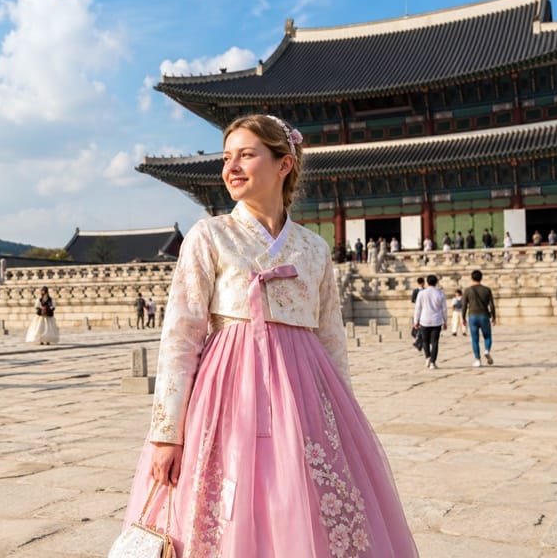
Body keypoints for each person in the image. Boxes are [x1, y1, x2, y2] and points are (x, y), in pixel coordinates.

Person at [121, 114, 417, 556]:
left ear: (284, 164)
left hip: (304, 396)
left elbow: (331, 340)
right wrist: (167, 433)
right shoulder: (210, 236)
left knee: (302, 504)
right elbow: (181, 335)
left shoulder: (314, 248)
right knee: (226, 506)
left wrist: (343, 422)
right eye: (226, 157)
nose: (231, 167)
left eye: (246, 155)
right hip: (226, 394)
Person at [461, 269, 496, 367]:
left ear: (471, 278)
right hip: (484, 316)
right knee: (487, 337)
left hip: (472, 316)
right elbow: (491, 305)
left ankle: (477, 360)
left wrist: (463, 317)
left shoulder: (467, 290)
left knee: (475, 339)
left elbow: (464, 305)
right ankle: (487, 350)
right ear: (481, 278)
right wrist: (494, 317)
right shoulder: (487, 290)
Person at [413, 274, 447, 369]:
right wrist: (445, 321)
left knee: (425, 341)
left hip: (425, 320)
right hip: (436, 321)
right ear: (436, 282)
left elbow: (418, 308)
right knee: (435, 342)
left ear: (427, 282)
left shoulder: (422, 293)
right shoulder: (440, 293)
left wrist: (416, 321)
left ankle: (427, 357)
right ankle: (432, 361)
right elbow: (444, 309)